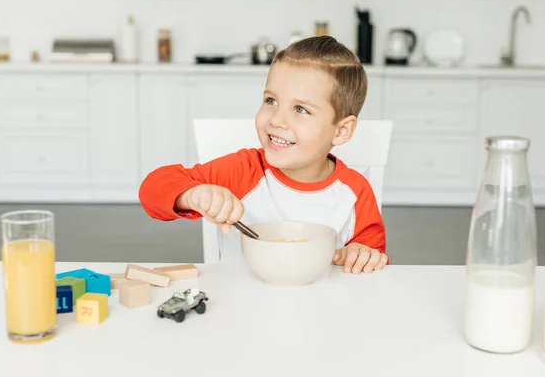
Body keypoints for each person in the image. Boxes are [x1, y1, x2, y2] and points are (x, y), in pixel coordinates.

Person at [138, 35, 388, 274]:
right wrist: (191, 195)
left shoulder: (355, 193)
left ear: (342, 131)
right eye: (271, 101)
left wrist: (363, 255)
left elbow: (372, 257)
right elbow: (152, 189)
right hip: (240, 305)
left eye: (300, 109)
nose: (277, 120)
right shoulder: (243, 169)